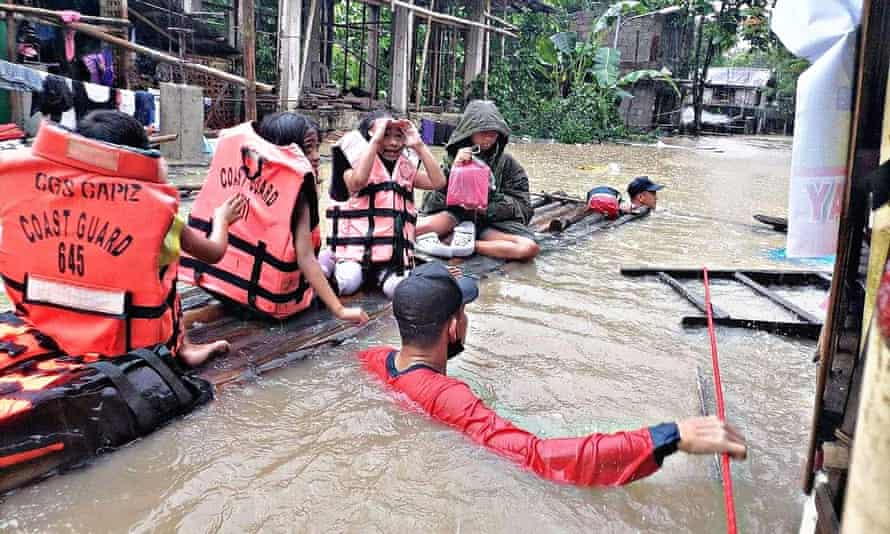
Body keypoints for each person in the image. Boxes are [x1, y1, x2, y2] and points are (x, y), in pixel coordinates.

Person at [358, 263, 748, 486]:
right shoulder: (450, 396)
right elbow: (539, 458)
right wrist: (668, 436)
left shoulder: (374, 360)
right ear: (453, 328)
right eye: (464, 312)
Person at [0, 111, 241, 367]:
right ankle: (184, 349)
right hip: (128, 344)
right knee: (165, 272)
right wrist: (222, 219)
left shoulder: (32, 196)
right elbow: (213, 252)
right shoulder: (158, 214)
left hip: (46, 328)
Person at [180, 112, 368, 326]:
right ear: (285, 149)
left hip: (222, 286)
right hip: (269, 303)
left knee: (325, 259)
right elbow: (305, 257)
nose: (316, 156)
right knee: (335, 270)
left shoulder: (242, 170)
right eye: (308, 148)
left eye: (317, 147)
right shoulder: (297, 193)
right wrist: (340, 310)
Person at [322, 110, 446, 299]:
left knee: (398, 289)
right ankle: (328, 259)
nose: (393, 143)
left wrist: (419, 145)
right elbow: (357, 183)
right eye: (385, 135)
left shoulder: (406, 167)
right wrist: (375, 141)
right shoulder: (353, 162)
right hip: (355, 253)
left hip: (390, 257)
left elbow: (438, 182)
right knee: (348, 283)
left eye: (398, 136)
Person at [416, 100, 540, 261]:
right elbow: (429, 203)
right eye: (482, 132)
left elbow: (524, 209)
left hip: (488, 226)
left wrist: (487, 206)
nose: (488, 138)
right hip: (452, 219)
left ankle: (469, 246)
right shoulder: (452, 159)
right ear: (470, 132)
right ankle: (454, 239)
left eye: (493, 133)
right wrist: (454, 171)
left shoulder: (509, 165)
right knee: (406, 231)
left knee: (529, 248)